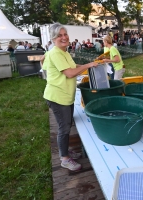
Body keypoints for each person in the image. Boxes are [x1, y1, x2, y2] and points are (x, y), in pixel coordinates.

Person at [42, 23, 98, 171]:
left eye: (65, 34)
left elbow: (73, 66)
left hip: (65, 96)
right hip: (57, 97)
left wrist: (89, 65)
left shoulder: (64, 52)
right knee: (64, 128)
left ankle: (65, 151)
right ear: (53, 39)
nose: (64, 37)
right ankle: (64, 159)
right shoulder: (55, 53)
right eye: (59, 35)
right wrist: (88, 65)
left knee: (67, 124)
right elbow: (70, 73)